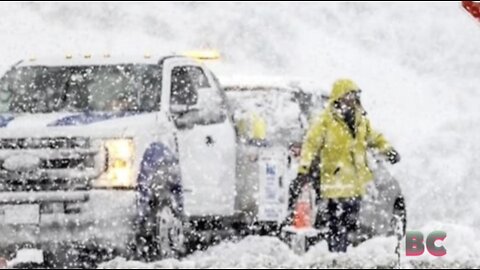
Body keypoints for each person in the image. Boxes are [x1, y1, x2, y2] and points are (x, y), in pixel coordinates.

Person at [288, 79, 400, 252]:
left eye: (354, 95)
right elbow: (310, 145)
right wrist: (303, 170)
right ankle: (336, 256)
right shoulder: (325, 121)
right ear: (338, 97)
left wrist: (388, 150)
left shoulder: (360, 121)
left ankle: (343, 255)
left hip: (355, 185)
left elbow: (374, 138)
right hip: (334, 184)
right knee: (336, 225)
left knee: (349, 225)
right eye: (348, 95)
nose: (352, 99)